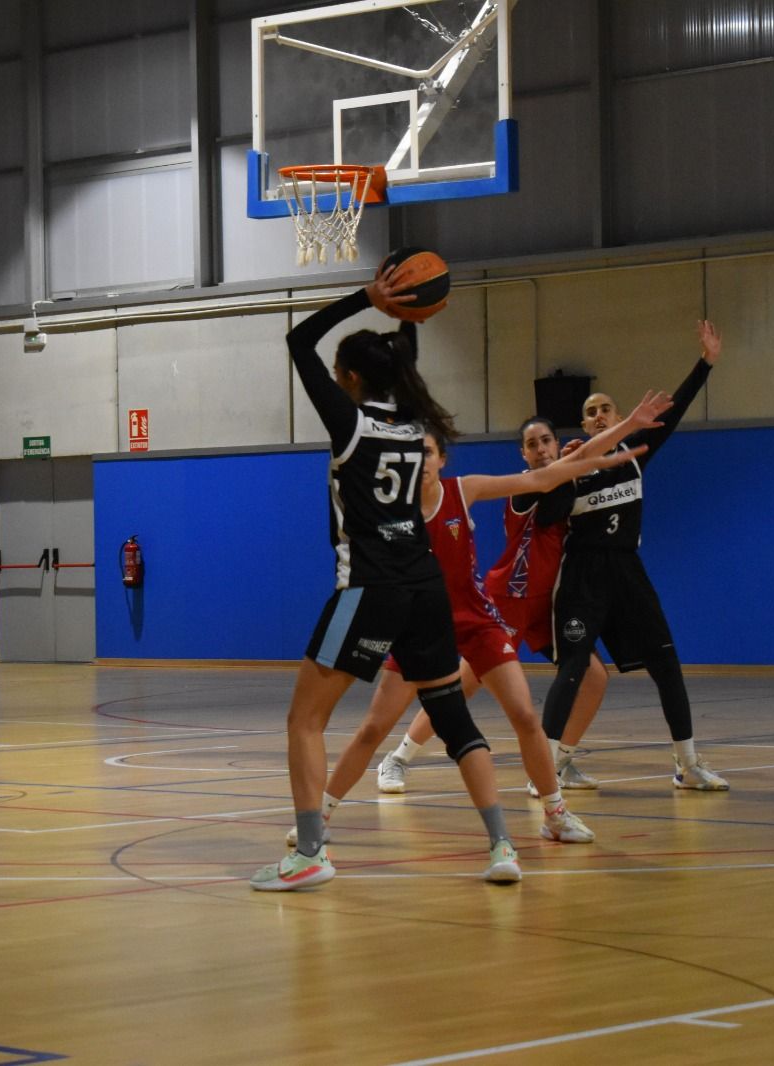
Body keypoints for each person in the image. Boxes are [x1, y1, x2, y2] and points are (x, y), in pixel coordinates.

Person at [252, 265, 527, 892]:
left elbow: (299, 342)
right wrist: (408, 315)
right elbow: (404, 361)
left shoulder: (351, 423)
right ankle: (502, 843)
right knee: (452, 716)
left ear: (349, 378)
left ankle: (312, 854)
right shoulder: (411, 424)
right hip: (425, 587)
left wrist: (367, 300)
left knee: (304, 722)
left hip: (368, 588)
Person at [294, 418, 656, 849]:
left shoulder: (462, 490)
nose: (422, 461)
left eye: (429, 452)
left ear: (442, 458)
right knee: (373, 727)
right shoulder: (391, 513)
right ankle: (320, 817)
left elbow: (544, 476)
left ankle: (555, 814)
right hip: (417, 627)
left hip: (475, 620)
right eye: (414, 454)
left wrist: (626, 429)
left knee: (524, 715)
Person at [536, 321, 730, 790]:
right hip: (582, 574)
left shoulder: (634, 453)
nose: (599, 415)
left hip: (627, 570)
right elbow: (545, 516)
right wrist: (570, 469)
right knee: (575, 668)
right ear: (583, 425)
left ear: (619, 417)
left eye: (606, 409)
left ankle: (687, 765)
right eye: (591, 412)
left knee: (666, 662)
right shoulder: (571, 465)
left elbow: (676, 409)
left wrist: (704, 364)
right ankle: (547, 768)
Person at [376, 415, 613, 796]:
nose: (541, 450)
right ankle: (398, 758)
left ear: (556, 443)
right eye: (532, 445)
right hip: (510, 597)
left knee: (593, 675)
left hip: (548, 599)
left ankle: (560, 760)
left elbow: (573, 470)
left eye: (547, 441)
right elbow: (558, 471)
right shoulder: (527, 489)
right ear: (523, 453)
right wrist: (623, 428)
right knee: (461, 687)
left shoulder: (565, 480)